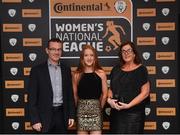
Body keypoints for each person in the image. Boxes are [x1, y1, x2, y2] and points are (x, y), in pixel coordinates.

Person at [28, 38, 75, 133]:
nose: (56, 52)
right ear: (47, 50)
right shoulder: (37, 71)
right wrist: (35, 119)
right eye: (53, 49)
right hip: (43, 117)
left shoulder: (66, 70)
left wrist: (71, 115)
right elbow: (31, 98)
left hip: (62, 115)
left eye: (59, 49)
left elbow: (70, 95)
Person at [107, 41, 150, 134]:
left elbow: (145, 93)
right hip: (117, 114)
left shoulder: (141, 69)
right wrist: (109, 100)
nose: (126, 53)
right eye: (123, 51)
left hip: (135, 115)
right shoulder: (116, 69)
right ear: (121, 54)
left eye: (129, 50)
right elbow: (110, 89)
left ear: (134, 53)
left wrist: (128, 105)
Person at [72, 45, 108, 135]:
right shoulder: (76, 74)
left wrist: (99, 108)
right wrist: (78, 108)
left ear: (95, 57)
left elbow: (104, 94)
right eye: (86, 55)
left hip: (96, 112)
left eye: (91, 55)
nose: (89, 58)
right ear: (82, 58)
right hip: (81, 112)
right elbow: (75, 95)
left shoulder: (101, 73)